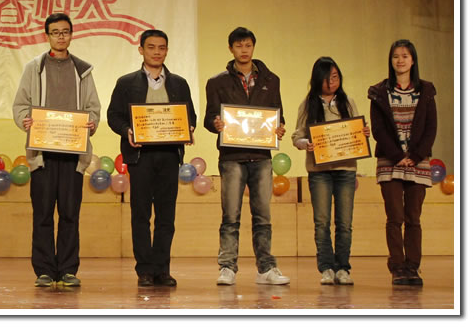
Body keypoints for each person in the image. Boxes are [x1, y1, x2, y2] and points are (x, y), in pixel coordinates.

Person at [12, 13, 100, 287]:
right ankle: (44, 270)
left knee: (70, 213)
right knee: (43, 213)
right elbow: (20, 105)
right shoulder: (34, 68)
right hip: (42, 154)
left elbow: (93, 107)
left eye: (65, 32)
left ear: (71, 35)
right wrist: (25, 120)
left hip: (73, 153)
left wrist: (92, 122)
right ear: (47, 36)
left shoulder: (82, 70)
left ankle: (68, 269)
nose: (61, 37)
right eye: (55, 32)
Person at [107, 29, 197, 287]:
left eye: (161, 47)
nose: (157, 52)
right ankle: (145, 270)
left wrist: (188, 128)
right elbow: (114, 116)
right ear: (141, 50)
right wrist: (128, 130)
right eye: (151, 47)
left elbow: (189, 115)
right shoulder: (126, 82)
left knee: (166, 216)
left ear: (166, 50)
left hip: (169, 155)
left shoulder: (179, 83)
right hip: (140, 156)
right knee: (141, 214)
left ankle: (162, 269)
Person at [203, 26, 289, 286]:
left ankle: (266, 268)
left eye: (248, 45)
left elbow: (277, 114)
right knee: (230, 216)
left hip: (261, 156)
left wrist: (279, 127)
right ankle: (227, 267)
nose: (244, 50)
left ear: (253, 47)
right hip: (231, 157)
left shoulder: (271, 79)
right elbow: (209, 118)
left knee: (263, 216)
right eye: (239, 45)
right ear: (231, 49)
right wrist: (216, 123)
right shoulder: (217, 82)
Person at [292, 57, 370, 286]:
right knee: (322, 222)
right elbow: (296, 136)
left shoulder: (348, 102)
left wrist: (363, 133)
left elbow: (357, 132)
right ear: (318, 80)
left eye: (335, 77)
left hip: (346, 169)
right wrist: (305, 143)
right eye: (327, 78)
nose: (332, 82)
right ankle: (326, 268)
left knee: (344, 222)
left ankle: (343, 268)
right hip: (319, 172)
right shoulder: (308, 104)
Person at [368, 39, 437, 286]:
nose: (400, 60)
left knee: (413, 218)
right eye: (396, 56)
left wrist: (415, 156)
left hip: (418, 162)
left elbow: (431, 128)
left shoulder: (426, 91)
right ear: (391, 60)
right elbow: (378, 129)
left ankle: (412, 267)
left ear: (413, 60)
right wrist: (399, 156)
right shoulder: (379, 92)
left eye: (405, 56)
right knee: (395, 216)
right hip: (390, 162)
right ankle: (398, 267)